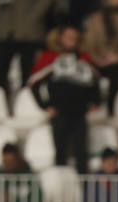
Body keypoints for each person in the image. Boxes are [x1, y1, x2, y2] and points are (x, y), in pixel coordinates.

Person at [30, 25, 100, 172]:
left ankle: (83, 190)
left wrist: (95, 102)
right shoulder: (51, 58)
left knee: (81, 154)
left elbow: (95, 84)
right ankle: (61, 189)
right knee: (60, 154)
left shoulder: (84, 59)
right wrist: (45, 105)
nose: (71, 40)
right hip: (59, 113)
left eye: (74, 37)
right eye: (68, 37)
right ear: (60, 38)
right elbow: (34, 83)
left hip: (79, 113)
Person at [80, 0, 118, 105]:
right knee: (87, 72)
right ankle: (91, 105)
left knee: (116, 73)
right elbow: (90, 44)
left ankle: (112, 107)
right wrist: (100, 60)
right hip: (100, 60)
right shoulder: (96, 19)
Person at [0, 0, 52, 94]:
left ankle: (26, 102)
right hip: (5, 30)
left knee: (28, 73)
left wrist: (34, 16)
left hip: (29, 32)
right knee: (0, 73)